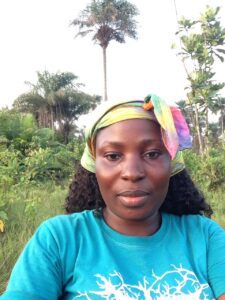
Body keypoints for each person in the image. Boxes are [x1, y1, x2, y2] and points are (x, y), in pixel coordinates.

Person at [1, 94, 225, 300]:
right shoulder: (59, 240)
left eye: (152, 154)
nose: (132, 172)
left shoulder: (205, 237)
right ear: (94, 164)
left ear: (172, 163)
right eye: (113, 155)